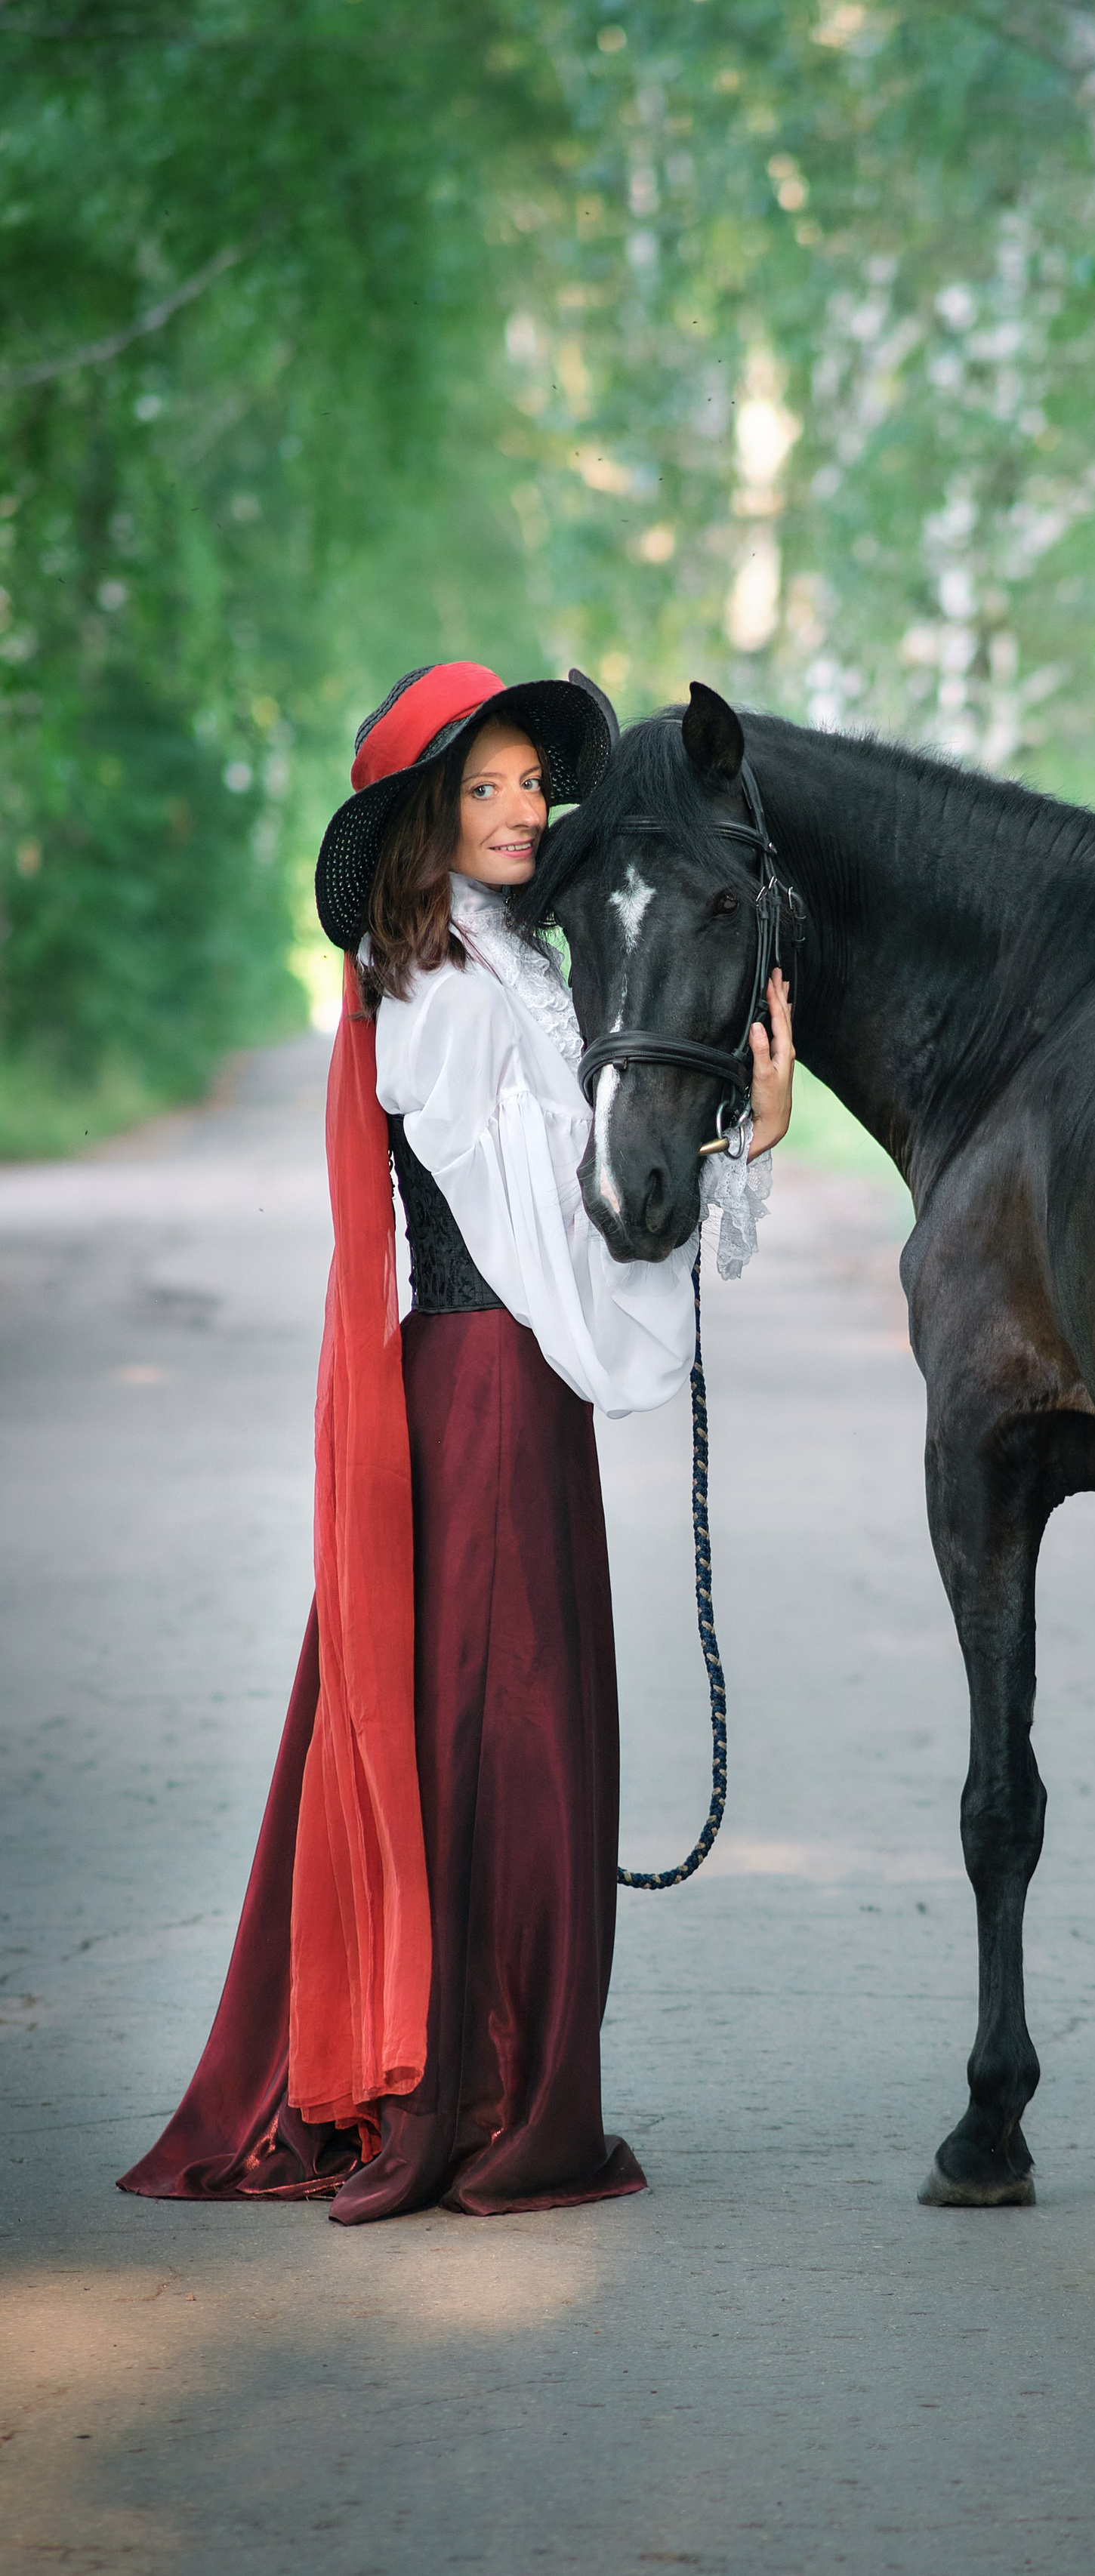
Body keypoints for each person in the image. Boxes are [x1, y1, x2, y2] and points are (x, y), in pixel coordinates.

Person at [119, 661, 792, 2223]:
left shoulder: (513, 967)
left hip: (507, 1386)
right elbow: (553, 1219)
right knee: (504, 1731)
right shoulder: (433, 990)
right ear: (428, 816)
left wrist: (722, 1150)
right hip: (483, 1382)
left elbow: (584, 1199)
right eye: (482, 787)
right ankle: (473, 2095)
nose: (518, 811)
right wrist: (726, 1159)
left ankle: (489, 2076)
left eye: (528, 784)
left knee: (506, 1727)